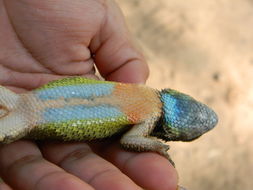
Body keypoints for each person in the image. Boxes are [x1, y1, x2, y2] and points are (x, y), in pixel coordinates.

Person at [0, 0, 178, 189]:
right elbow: (130, 140)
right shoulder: (149, 116)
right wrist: (157, 146)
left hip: (23, 101)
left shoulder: (143, 92)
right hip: (28, 115)